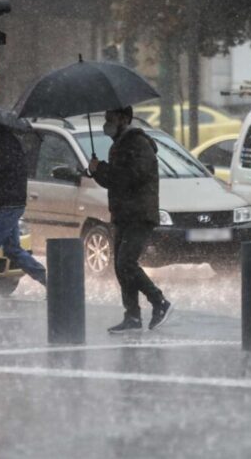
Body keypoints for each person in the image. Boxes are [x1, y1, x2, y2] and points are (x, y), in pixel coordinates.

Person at [89, 106, 173, 333]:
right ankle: (132, 315)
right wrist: (97, 171)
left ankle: (159, 301)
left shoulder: (137, 143)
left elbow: (130, 178)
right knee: (120, 266)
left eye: (111, 118)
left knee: (126, 263)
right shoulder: (120, 145)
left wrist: (104, 170)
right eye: (106, 118)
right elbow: (115, 181)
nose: (107, 122)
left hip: (139, 215)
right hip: (123, 215)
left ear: (124, 119)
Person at [0, 123, 46, 298]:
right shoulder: (4, 142)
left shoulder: (3, 145)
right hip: (8, 202)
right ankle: (47, 280)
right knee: (12, 248)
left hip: (8, 204)